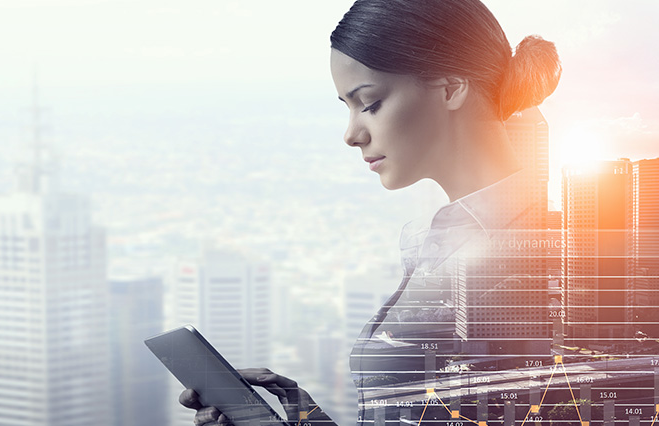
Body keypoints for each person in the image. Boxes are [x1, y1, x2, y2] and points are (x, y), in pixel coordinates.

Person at [179, 0, 561, 424]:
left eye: (370, 102)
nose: (351, 135)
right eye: (347, 106)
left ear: (452, 87)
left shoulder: (545, 260)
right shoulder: (438, 242)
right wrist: (302, 414)